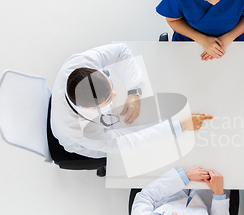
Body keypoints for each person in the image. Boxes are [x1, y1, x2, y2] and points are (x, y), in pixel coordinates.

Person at [51, 43, 213, 158]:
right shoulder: (84, 133)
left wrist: (133, 91)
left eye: (110, 85)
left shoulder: (80, 64)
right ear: (88, 108)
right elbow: (130, 142)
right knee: (149, 153)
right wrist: (181, 126)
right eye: (108, 99)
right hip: (81, 142)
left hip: (95, 118)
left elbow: (121, 50)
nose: (114, 95)